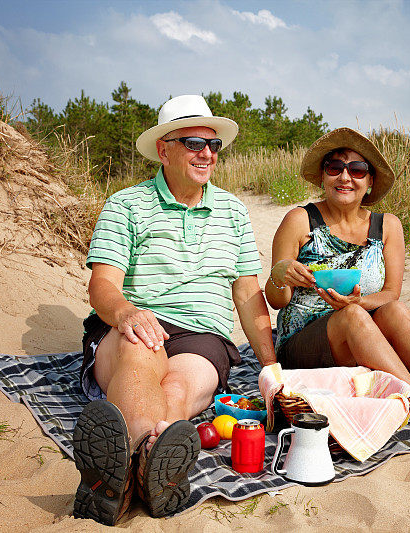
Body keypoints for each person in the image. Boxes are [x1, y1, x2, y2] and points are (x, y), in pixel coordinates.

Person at [72, 95, 277, 525]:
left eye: (213, 145)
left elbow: (247, 296)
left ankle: (120, 480)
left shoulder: (234, 211)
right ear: (164, 149)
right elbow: (102, 287)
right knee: (139, 351)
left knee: (180, 388)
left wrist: (272, 370)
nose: (206, 153)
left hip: (203, 337)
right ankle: (150, 470)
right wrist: (126, 313)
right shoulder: (126, 204)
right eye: (193, 142)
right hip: (137, 322)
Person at [265, 127, 410, 445]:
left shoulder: (387, 226)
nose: (345, 177)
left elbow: (391, 292)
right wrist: (281, 273)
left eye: (357, 169)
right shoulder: (299, 220)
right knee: (353, 318)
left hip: (361, 332)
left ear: (370, 182)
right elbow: (276, 300)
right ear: (323, 177)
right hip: (302, 345)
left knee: (395, 310)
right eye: (335, 167)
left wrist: (356, 304)